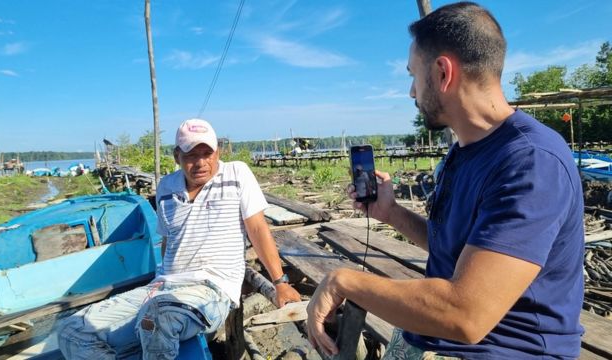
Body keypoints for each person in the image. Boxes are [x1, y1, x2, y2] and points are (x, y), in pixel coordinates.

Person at [307, 2, 584, 359]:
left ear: (441, 73)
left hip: (501, 350)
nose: (411, 92)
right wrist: (393, 214)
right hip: (431, 339)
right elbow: (455, 250)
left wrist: (344, 280)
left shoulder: (532, 161)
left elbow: (466, 315)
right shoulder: (464, 150)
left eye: (413, 75)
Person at [57, 118, 301, 359]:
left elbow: (258, 229)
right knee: (72, 330)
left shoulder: (237, 173)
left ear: (218, 152)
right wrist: (161, 280)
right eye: (191, 155)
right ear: (177, 157)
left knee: (157, 317)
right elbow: (168, 240)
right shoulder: (166, 186)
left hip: (210, 291)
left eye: (207, 153)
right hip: (162, 288)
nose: (201, 162)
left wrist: (280, 282)